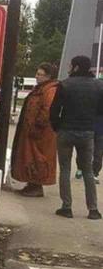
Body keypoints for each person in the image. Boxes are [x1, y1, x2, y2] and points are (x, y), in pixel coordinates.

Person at [50, 55, 103, 220]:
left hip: (66, 130)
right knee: (87, 170)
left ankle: (67, 207)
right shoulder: (98, 86)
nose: (68, 67)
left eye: (70, 65)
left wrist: (57, 127)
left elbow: (54, 110)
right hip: (87, 132)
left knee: (65, 169)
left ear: (77, 67)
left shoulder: (65, 84)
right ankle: (93, 209)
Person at [11, 63, 59, 197]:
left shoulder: (49, 90)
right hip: (33, 129)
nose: (36, 76)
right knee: (30, 157)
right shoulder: (41, 89)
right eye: (37, 73)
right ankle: (32, 183)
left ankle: (36, 185)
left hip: (40, 132)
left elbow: (47, 110)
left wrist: (37, 125)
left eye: (40, 74)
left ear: (48, 76)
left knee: (37, 158)